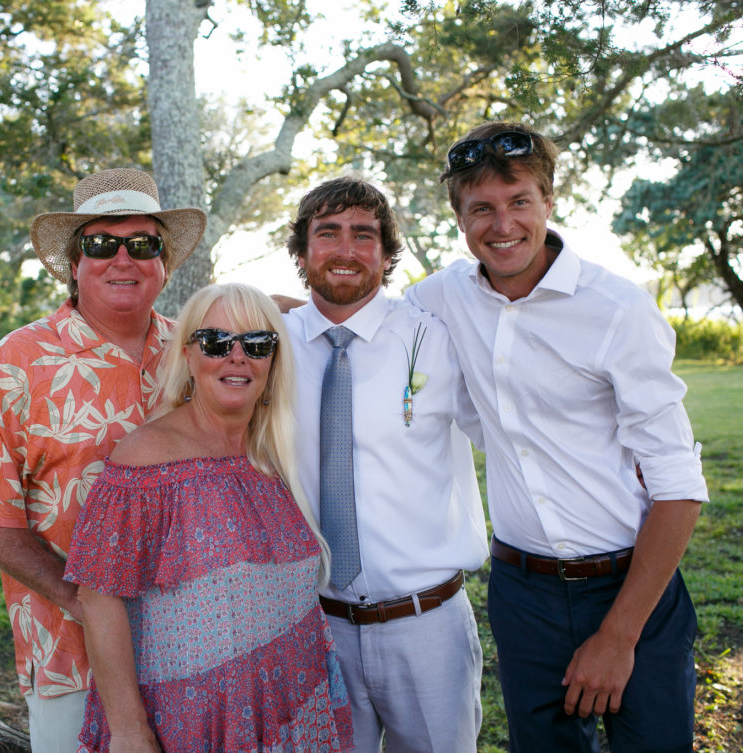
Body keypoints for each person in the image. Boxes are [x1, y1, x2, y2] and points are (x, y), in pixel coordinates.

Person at [405, 121, 709, 752]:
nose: (502, 224)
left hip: (632, 585)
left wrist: (619, 636)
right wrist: (258, 317)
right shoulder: (439, 298)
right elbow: (360, 314)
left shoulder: (617, 308)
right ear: (459, 220)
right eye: (481, 209)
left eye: (519, 202)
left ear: (548, 201)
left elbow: (679, 486)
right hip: (523, 592)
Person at [0, 168, 206, 753]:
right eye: (99, 243)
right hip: (70, 655)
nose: (123, 259)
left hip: (195, 643)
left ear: (164, 262)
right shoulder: (19, 361)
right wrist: (76, 597)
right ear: (73, 263)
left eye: (143, 244)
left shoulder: (193, 356)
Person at [64, 282, 354, 753]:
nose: (237, 356)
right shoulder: (147, 458)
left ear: (273, 360)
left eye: (257, 343)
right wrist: (129, 730)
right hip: (196, 719)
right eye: (217, 342)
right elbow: (99, 597)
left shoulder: (271, 455)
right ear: (189, 357)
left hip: (294, 703)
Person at [282, 177, 488, 753]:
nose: (345, 250)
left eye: (363, 235)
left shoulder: (436, 339)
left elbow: (509, 431)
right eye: (327, 234)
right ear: (302, 253)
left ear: (387, 254)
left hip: (428, 626)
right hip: (317, 627)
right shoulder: (271, 345)